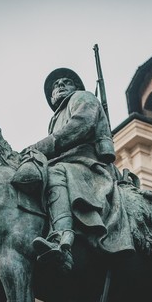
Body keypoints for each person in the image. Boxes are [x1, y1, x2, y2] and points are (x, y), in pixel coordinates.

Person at [26, 68, 117, 272]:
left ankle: (61, 240)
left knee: (55, 173)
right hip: (66, 161)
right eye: (55, 85)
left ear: (76, 87)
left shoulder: (82, 97)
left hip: (84, 163)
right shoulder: (55, 119)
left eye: (66, 82)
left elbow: (81, 125)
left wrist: (41, 147)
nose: (59, 85)